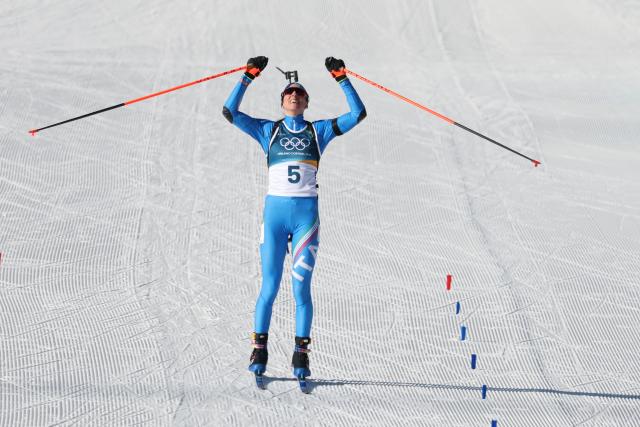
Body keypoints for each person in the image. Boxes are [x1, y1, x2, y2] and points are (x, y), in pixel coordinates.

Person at [222, 56, 366, 379]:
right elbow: (230, 112)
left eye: (300, 93)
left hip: (305, 220)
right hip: (274, 218)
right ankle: (260, 348)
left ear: (306, 102)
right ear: (282, 101)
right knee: (270, 286)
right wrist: (247, 77)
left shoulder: (319, 131)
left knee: (301, 291)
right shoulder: (267, 131)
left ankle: (301, 355)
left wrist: (342, 78)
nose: (294, 96)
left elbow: (358, 114)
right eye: (289, 93)